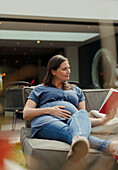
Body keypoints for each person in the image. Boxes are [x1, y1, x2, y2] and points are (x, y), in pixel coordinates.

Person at [23, 54, 118, 162]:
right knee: (72, 133)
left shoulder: (76, 90)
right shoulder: (40, 89)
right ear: (53, 71)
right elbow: (26, 113)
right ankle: (110, 146)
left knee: (81, 115)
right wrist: (50, 110)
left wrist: (103, 120)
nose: (69, 71)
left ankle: (84, 142)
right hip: (47, 120)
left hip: (72, 121)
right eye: (64, 69)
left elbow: (83, 119)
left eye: (69, 68)